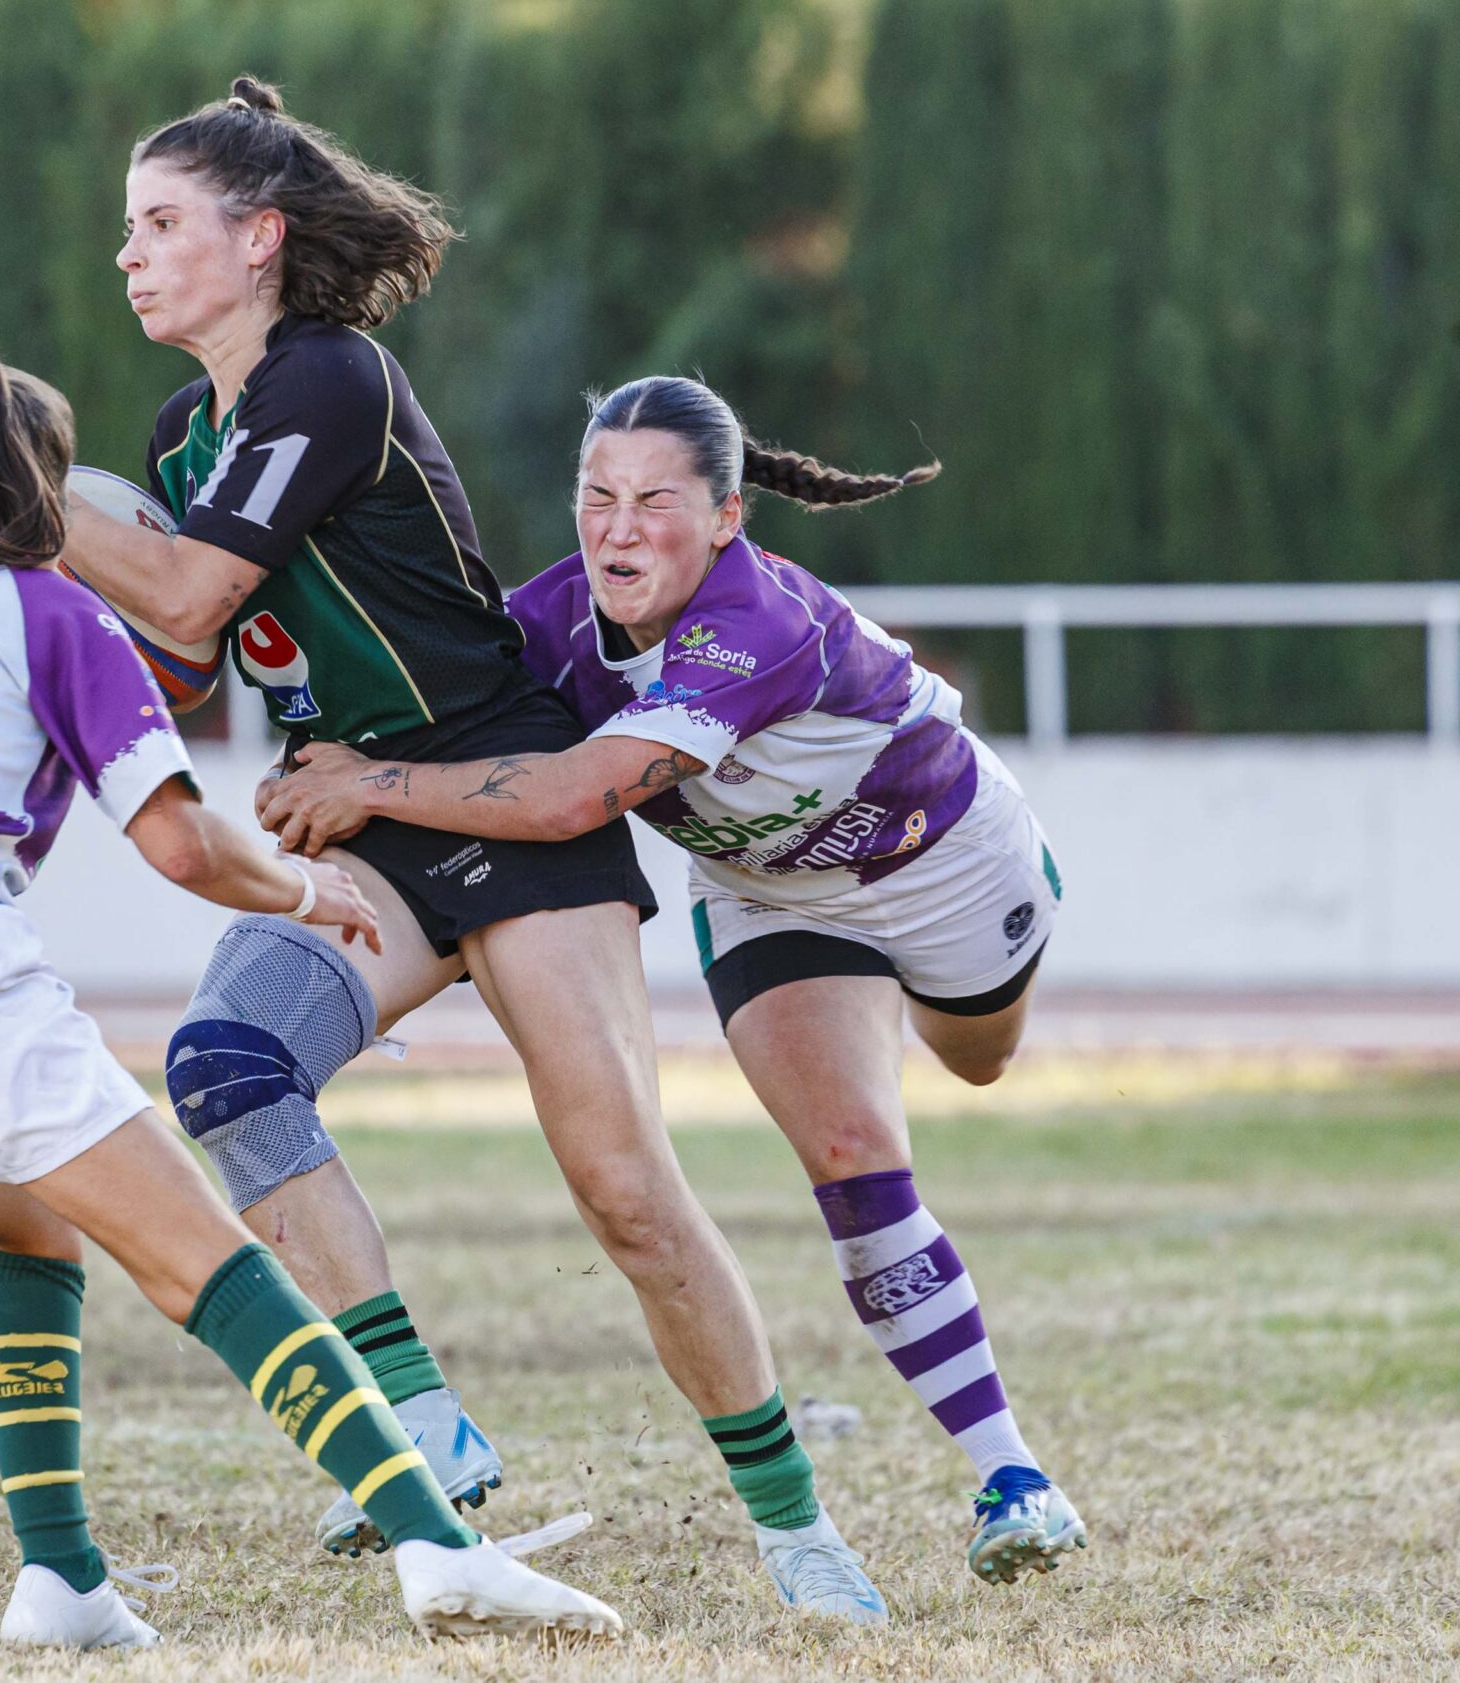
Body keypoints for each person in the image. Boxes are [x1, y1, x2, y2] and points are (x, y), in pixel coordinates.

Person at [0, 344, 621, 1649]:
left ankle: (64, 1582)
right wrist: (308, 895)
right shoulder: (47, 606)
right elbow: (185, 842)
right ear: (44, 492)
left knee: (36, 1232)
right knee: (214, 1263)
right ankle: (439, 1545)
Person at [57, 79, 882, 1619]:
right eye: (129, 229)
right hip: (358, 815)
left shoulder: (330, 376)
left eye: (161, 224)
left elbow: (179, 593)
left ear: (259, 238)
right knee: (228, 1066)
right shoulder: (185, 432)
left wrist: (27, 498)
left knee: (625, 1190)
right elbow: (189, 644)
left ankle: (792, 1520)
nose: (130, 256)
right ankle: (421, 1419)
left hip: (490, 785)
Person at [256, 374, 1090, 1588]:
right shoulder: (550, 621)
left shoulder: (755, 623)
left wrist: (368, 787)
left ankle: (952, 1000)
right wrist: (320, 725)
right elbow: (435, 711)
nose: (618, 528)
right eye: (596, 498)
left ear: (726, 518)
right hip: (770, 893)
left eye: (656, 500)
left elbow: (569, 796)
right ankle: (1015, 1479)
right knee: (853, 1150)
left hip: (943, 863)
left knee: (977, 1058)